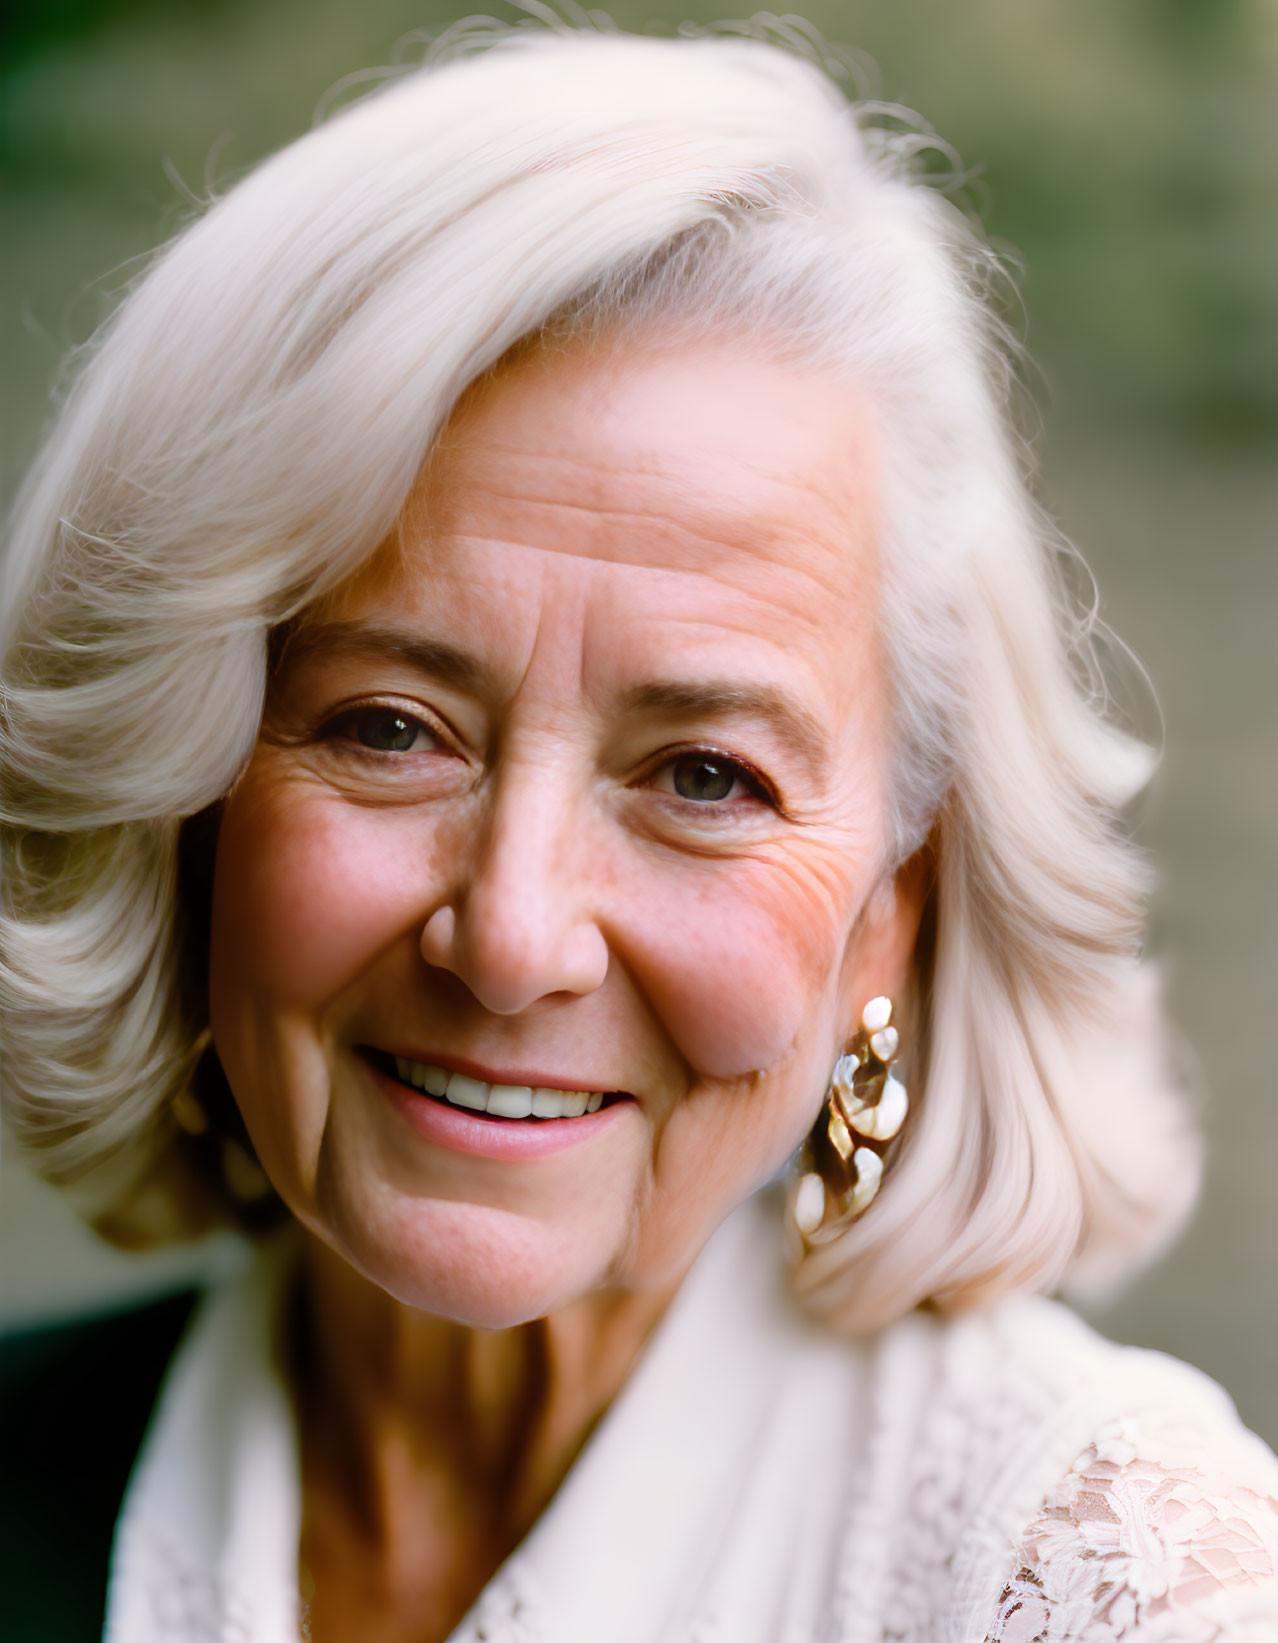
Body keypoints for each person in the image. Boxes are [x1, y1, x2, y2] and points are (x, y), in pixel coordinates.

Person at [2, 17, 1277, 1643]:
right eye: (390, 730)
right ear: (182, 804)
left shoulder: (1091, 1571)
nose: (515, 934)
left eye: (701, 778)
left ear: (892, 906)